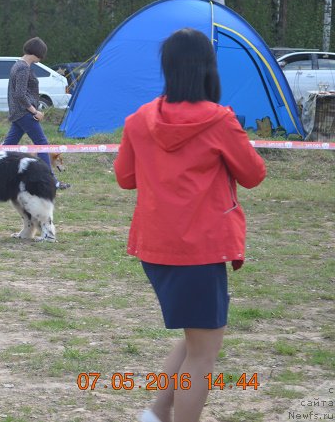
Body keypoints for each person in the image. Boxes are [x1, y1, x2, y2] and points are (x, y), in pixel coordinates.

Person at [113, 28, 266, 422]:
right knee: (203, 352)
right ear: (208, 70)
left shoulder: (138, 120)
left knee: (195, 340)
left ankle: (156, 412)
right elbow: (253, 174)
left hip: (157, 248)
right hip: (200, 250)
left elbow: (125, 177)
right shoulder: (220, 120)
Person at [1, 37, 69, 190]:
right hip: (25, 113)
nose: (41, 59)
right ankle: (51, 180)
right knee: (42, 144)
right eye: (42, 55)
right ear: (37, 53)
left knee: (8, 146)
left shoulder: (17, 65)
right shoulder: (23, 68)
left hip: (18, 113)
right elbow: (19, 94)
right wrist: (34, 111)